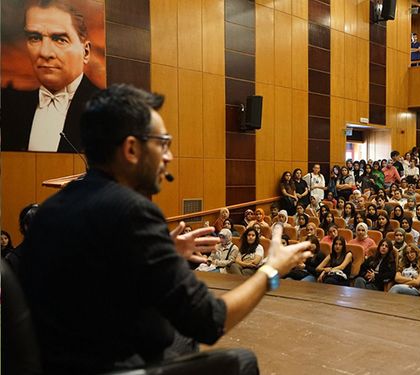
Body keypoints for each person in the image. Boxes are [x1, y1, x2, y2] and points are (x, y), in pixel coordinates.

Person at [19, 84, 311, 373]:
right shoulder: (132, 210)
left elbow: (89, 277)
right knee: (240, 361)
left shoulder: (50, 211)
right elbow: (210, 321)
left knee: (181, 339)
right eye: (162, 143)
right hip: (113, 366)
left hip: (60, 363)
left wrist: (162, 252)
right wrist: (271, 270)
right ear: (132, 148)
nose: (168, 157)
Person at [2, 0, 101, 152]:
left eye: (60, 39)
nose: (45, 53)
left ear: (85, 52)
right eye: (35, 38)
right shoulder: (12, 108)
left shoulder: (106, 109)